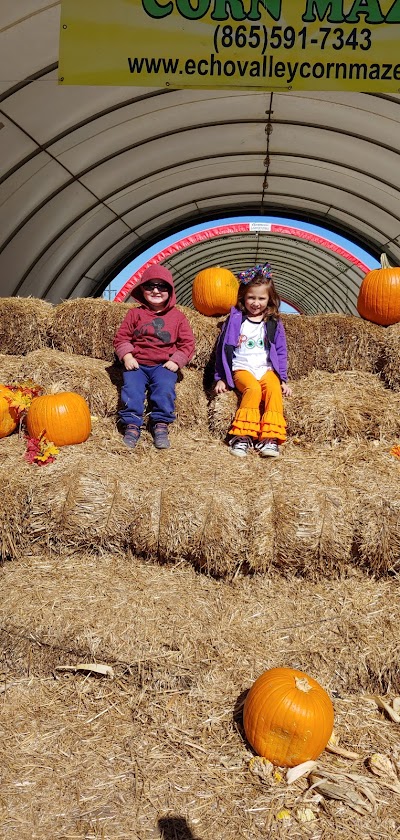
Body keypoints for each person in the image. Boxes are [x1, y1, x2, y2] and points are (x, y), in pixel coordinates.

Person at [213, 262, 292, 458]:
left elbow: (281, 351)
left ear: (269, 299)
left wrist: (282, 379)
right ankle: (242, 436)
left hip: (265, 369)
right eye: (251, 297)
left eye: (261, 298)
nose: (256, 303)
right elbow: (222, 350)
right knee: (253, 389)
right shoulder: (235, 320)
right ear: (243, 297)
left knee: (273, 389)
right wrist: (220, 377)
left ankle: (269, 438)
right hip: (242, 368)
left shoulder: (273, 323)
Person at [113, 264, 195, 449]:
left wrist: (176, 361)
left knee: (165, 388)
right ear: (142, 289)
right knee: (131, 389)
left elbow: (187, 343)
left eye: (161, 286)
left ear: (170, 291)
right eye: (150, 286)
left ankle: (160, 424)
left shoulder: (178, 317)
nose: (156, 290)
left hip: (163, 365)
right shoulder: (135, 313)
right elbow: (122, 337)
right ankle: (132, 425)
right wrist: (127, 356)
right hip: (138, 365)